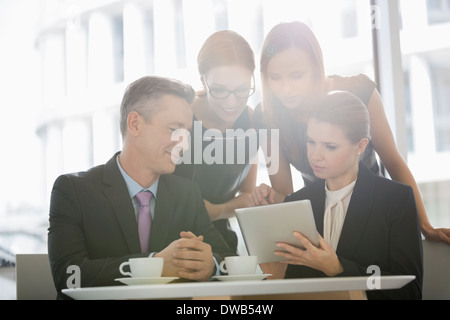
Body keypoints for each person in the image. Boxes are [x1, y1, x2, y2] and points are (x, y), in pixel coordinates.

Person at [252, 21, 450, 244]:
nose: (285, 88)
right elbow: (286, 195)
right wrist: (266, 197)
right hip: (324, 220)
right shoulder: (266, 116)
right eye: (275, 77)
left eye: (296, 76)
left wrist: (425, 225)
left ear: (316, 69)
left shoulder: (358, 93)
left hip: (376, 213)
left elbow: (393, 162)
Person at [48, 76, 236, 299]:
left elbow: (225, 257)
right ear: (135, 124)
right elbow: (68, 276)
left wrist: (210, 264)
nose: (184, 144)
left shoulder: (187, 193)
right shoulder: (73, 190)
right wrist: (154, 265)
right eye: (174, 129)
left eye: (187, 133)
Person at [260, 91, 423, 300]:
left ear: (361, 146)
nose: (315, 155)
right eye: (310, 142)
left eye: (330, 146)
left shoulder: (395, 200)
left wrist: (338, 268)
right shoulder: (297, 203)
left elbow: (410, 291)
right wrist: (275, 276)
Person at [173, 30, 258, 252]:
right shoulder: (177, 116)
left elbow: (249, 195)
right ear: (202, 79)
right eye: (219, 90)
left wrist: (217, 211)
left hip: (221, 243)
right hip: (169, 241)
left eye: (242, 90)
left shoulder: (251, 122)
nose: (231, 102)